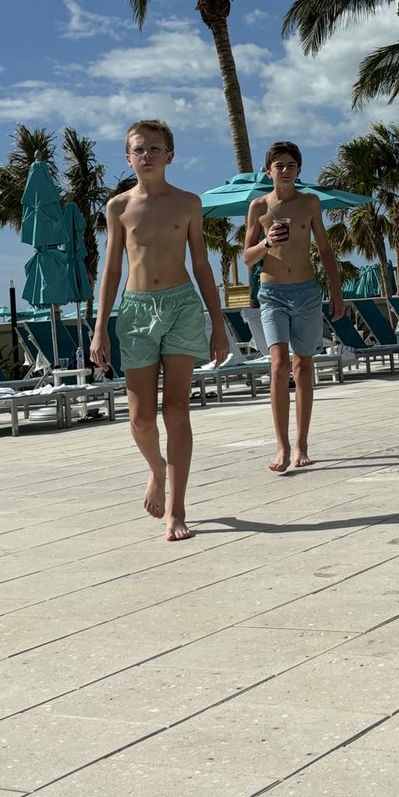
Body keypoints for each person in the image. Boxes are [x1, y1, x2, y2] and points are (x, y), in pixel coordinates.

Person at [90, 119, 228, 542]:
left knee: (177, 410)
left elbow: (202, 264)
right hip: (134, 312)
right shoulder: (118, 207)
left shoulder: (189, 203)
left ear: (171, 155)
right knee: (141, 417)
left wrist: (218, 325)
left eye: (155, 148)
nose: (146, 155)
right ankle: (156, 472)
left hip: (182, 306)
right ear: (127, 157)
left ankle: (177, 508)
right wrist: (101, 328)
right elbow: (112, 269)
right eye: (138, 149)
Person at [243, 141, 343, 473]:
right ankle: (281, 447)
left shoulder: (310, 203)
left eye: (290, 165)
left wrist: (337, 292)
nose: (284, 170)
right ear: (268, 170)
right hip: (271, 291)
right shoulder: (258, 207)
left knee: (303, 367)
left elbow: (325, 250)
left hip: (306, 291)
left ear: (299, 169)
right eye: (279, 165)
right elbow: (247, 257)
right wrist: (266, 242)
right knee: (278, 364)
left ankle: (301, 444)